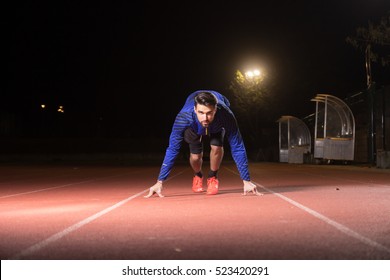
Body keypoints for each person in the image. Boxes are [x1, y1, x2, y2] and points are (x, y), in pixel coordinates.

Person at [144, 90, 262, 198]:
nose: (205, 118)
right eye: (201, 112)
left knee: (216, 147)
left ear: (215, 109)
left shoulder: (226, 115)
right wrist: (160, 181)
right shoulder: (184, 117)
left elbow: (237, 146)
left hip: (216, 126)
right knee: (195, 157)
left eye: (209, 113)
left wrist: (246, 180)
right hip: (193, 127)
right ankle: (198, 175)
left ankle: (212, 177)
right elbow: (172, 149)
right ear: (195, 110)